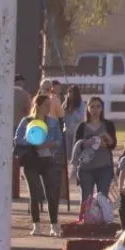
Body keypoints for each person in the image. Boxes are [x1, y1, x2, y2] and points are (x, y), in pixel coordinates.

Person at [15, 95, 64, 236]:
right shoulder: (26, 121)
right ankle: (36, 225)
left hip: (48, 159)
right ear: (37, 106)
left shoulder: (53, 122)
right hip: (31, 160)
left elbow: (59, 140)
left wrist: (49, 144)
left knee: (52, 194)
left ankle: (53, 225)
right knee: (34, 193)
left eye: (50, 105)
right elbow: (18, 139)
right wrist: (33, 142)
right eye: (46, 105)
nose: (49, 108)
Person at [73, 96, 117, 204]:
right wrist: (87, 143)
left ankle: (101, 215)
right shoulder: (82, 126)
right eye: (92, 106)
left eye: (98, 106)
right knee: (86, 199)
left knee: (102, 199)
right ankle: (86, 215)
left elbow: (113, 144)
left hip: (104, 167)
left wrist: (104, 141)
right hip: (85, 169)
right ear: (87, 108)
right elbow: (76, 146)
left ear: (102, 108)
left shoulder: (108, 125)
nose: (95, 109)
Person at [63, 85, 85, 159]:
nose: (69, 94)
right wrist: (65, 112)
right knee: (68, 153)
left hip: (76, 130)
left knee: (75, 151)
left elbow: (81, 118)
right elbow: (62, 117)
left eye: (71, 92)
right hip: (67, 131)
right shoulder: (65, 103)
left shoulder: (80, 103)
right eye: (69, 92)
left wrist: (74, 111)